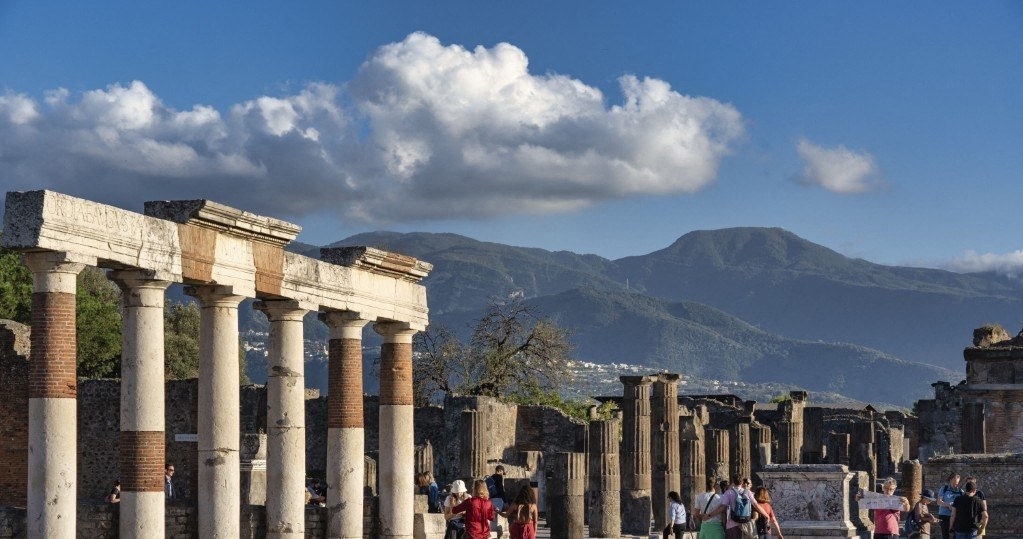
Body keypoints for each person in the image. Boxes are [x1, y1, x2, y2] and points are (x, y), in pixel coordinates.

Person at [706, 474, 769, 539]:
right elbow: (756, 505)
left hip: (732, 524)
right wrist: (766, 515)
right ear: (742, 482)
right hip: (746, 524)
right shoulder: (748, 492)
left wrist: (709, 515)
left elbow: (722, 507)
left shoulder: (729, 493)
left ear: (733, 481)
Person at [935, 472, 963, 539]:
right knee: (946, 535)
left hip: (956, 517)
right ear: (950, 480)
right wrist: (948, 505)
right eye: (954, 483)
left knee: (956, 536)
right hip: (944, 516)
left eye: (957, 483)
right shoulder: (944, 489)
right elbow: (938, 502)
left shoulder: (961, 492)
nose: (955, 485)